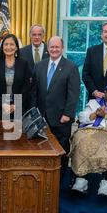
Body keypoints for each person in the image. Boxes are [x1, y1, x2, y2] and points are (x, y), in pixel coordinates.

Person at [30, 36, 80, 179]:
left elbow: (74, 94)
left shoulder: (71, 67)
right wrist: (34, 113)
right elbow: (34, 92)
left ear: (62, 48)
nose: (54, 49)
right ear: (47, 48)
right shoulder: (39, 66)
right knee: (41, 149)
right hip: (41, 118)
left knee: (60, 151)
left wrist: (68, 114)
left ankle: (59, 180)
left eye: (57, 47)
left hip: (60, 119)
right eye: (51, 47)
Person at [0, 33, 32, 118]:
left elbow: (26, 87)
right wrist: (3, 104)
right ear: (2, 47)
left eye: (12, 44)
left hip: (19, 108)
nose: (9, 47)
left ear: (16, 47)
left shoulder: (24, 64)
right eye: (6, 44)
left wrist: (16, 105)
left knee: (17, 131)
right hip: (0, 108)